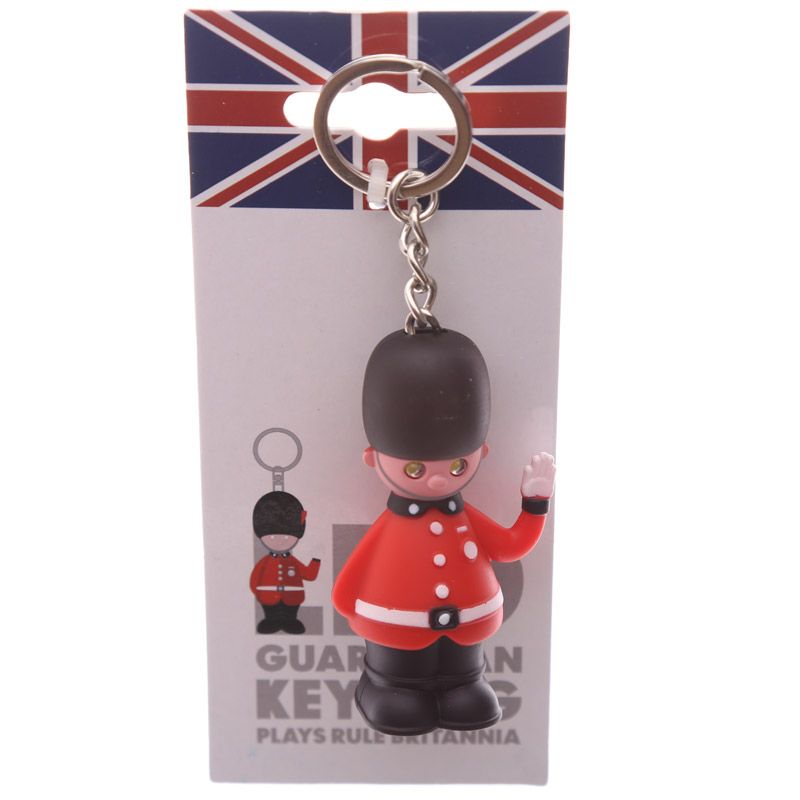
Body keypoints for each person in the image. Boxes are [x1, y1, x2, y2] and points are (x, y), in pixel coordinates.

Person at [333, 328, 555, 734]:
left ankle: (463, 686)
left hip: (466, 628)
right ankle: (387, 688)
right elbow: (348, 586)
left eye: (456, 467)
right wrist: (352, 607)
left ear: (481, 453)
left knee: (465, 681)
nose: (437, 480)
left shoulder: (467, 520)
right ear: (373, 458)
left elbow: (511, 546)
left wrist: (535, 503)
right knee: (399, 679)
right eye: (414, 469)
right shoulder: (391, 528)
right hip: (396, 630)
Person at [250, 491, 321, 634]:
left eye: (288, 537)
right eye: (272, 537)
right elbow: (254, 580)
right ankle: (270, 621)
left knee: (290, 615)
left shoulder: (293, 562)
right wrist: (258, 592)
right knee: (270, 614)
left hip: (292, 597)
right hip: (267, 596)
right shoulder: (265, 562)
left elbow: (309, 575)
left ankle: (291, 622)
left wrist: (316, 561)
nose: (280, 541)